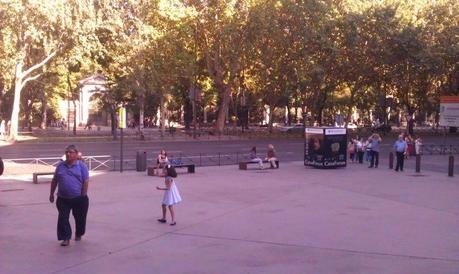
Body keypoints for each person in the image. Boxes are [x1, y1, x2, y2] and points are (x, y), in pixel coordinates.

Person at [49, 145, 89, 246]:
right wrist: (51, 194)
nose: (68, 154)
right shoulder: (60, 166)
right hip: (63, 198)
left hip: (79, 198)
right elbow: (55, 180)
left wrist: (83, 195)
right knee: (63, 218)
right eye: (66, 152)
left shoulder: (82, 166)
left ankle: (79, 233)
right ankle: (65, 238)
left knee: (80, 218)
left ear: (76, 154)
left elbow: (86, 181)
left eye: (71, 152)